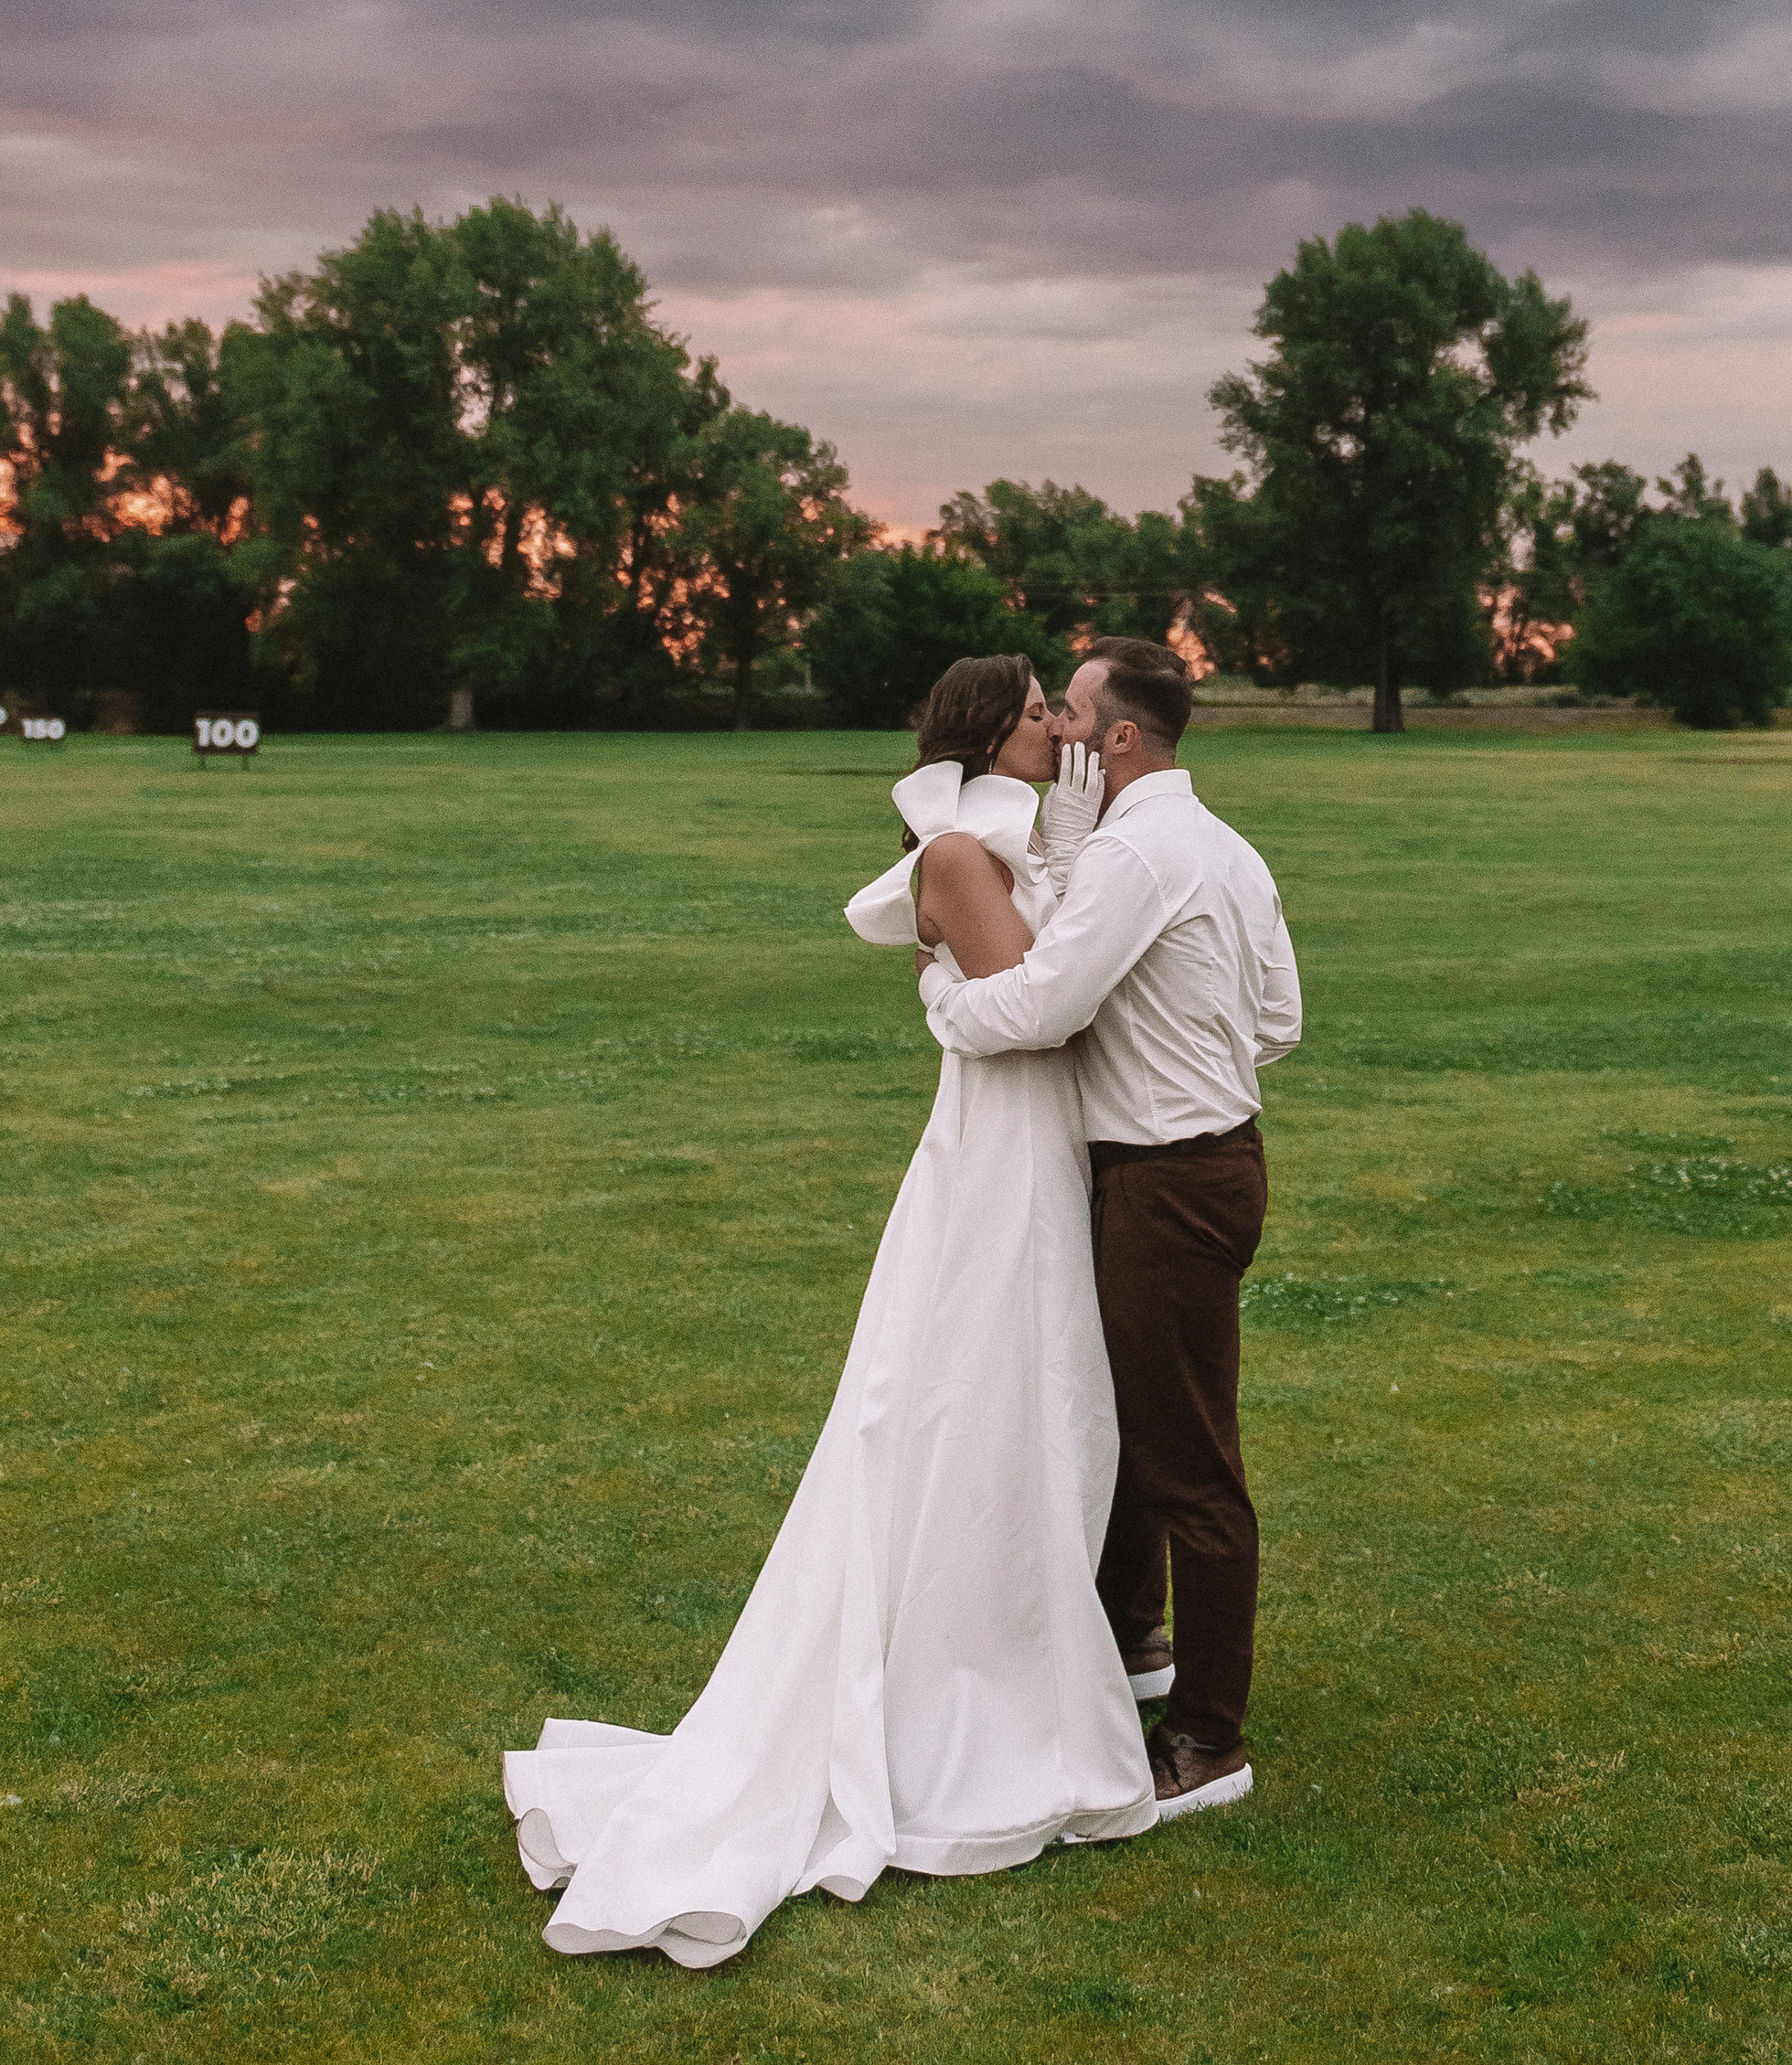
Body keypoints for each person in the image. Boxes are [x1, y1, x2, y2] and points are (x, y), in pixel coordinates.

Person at [501, 654, 1155, 1971]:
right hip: (1003, 1153)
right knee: (977, 1390)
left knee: (1039, 1395)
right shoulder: (965, 852)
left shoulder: (1005, 839)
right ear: (986, 727)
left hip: (1040, 1144)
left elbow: (1031, 988)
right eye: (1038, 712)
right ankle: (957, 1692)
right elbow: (1037, 1013)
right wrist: (966, 984)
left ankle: (1024, 1652)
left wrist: (1066, 873)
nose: (1057, 729)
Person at [920, 637, 1301, 1818]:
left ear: (1119, 736)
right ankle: (1137, 1640)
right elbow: (1277, 1015)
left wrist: (946, 1002)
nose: (1062, 730)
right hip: (1213, 1157)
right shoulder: (1224, 845)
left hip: (1166, 1175)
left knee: (1188, 1457)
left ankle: (1207, 1738)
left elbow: (1045, 1003)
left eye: (1073, 712)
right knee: (1135, 1418)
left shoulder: (1137, 851)